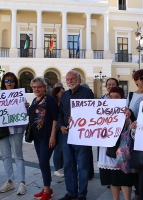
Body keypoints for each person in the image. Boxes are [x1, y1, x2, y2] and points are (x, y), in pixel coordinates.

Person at [57, 70, 94, 200]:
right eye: (68, 79)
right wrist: (60, 126)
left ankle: (82, 194)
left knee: (83, 165)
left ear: (78, 79)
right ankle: (71, 192)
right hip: (67, 134)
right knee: (68, 164)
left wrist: (79, 120)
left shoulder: (87, 93)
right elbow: (60, 113)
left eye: (72, 79)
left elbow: (92, 112)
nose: (70, 81)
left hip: (81, 134)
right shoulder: (65, 95)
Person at [98, 86, 134, 200]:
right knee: (112, 179)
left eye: (116, 97)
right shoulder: (101, 110)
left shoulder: (126, 111)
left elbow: (131, 130)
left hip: (121, 150)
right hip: (106, 150)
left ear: (122, 98)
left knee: (123, 178)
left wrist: (128, 119)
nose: (113, 99)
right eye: (111, 97)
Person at [126, 69, 143, 200]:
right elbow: (127, 115)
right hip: (135, 136)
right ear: (135, 80)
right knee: (137, 163)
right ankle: (140, 191)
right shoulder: (131, 96)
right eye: (141, 78)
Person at [29, 77, 58, 200]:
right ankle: (48, 188)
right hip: (37, 137)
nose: (37, 89)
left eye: (39, 86)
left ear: (44, 87)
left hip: (47, 137)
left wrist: (52, 135)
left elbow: (55, 118)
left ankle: (47, 191)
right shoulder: (34, 100)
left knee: (43, 162)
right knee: (43, 164)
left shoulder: (50, 99)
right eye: (34, 87)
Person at [0, 72, 28, 195]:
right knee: (5, 156)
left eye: (11, 80)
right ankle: (9, 181)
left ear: (15, 82)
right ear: (3, 83)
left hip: (16, 129)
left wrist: (26, 107)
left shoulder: (20, 96)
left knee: (18, 156)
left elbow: (24, 114)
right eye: (6, 81)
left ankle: (22, 183)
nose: (9, 82)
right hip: (2, 131)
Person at [51, 87, 65, 178]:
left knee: (62, 150)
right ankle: (57, 168)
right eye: (61, 92)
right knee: (58, 150)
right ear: (56, 93)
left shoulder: (63, 102)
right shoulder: (53, 103)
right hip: (54, 128)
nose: (63, 93)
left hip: (61, 127)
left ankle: (61, 168)